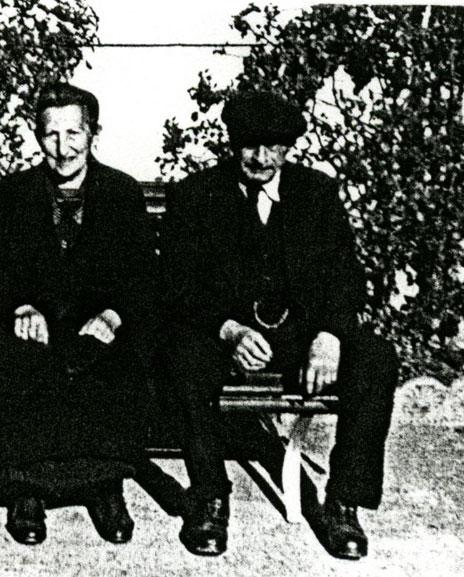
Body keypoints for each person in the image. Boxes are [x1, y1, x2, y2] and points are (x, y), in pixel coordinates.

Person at [161, 91, 398, 560]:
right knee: (182, 355)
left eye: (275, 146)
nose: (261, 157)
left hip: (301, 342)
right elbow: (176, 286)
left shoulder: (317, 193)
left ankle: (343, 502)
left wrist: (329, 337)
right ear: (232, 142)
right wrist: (228, 330)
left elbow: (346, 276)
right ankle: (209, 498)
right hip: (224, 336)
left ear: (290, 147)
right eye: (250, 144)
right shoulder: (197, 195)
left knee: (375, 357)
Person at [0, 82, 157, 545]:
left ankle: (106, 487)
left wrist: (113, 316)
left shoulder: (121, 193)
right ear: (37, 137)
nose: (62, 149)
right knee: (15, 356)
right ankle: (28, 489)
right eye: (50, 136)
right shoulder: (15, 193)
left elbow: (142, 273)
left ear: (93, 135)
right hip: (33, 318)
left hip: (98, 321)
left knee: (116, 362)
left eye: (73, 135)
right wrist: (19, 306)